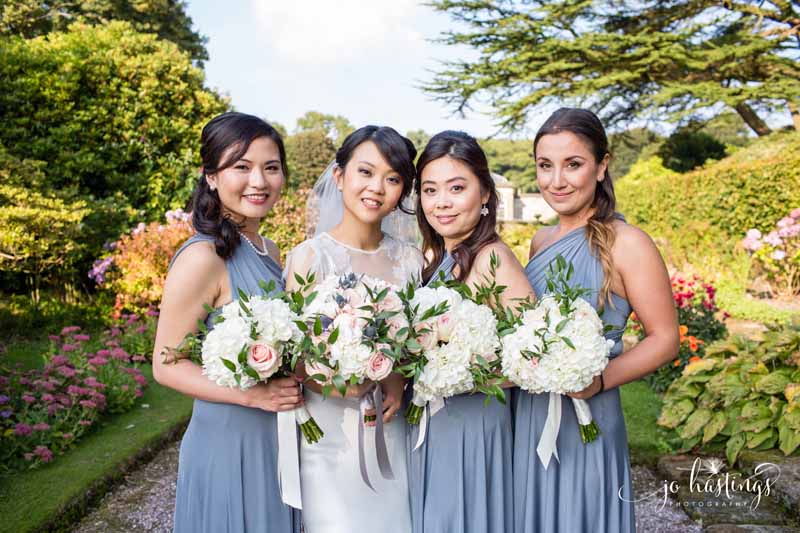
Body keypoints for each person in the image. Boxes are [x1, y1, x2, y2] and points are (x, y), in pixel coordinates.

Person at [513, 108, 679, 533]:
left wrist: (599, 380)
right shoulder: (541, 240)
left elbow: (665, 339)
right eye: (545, 166)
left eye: (573, 164)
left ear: (602, 166)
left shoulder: (629, 243)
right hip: (529, 413)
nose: (557, 180)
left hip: (589, 412)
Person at [152, 112, 302, 533]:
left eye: (271, 168)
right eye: (242, 166)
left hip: (275, 435)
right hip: (229, 438)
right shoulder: (202, 258)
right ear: (212, 176)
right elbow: (166, 365)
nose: (259, 181)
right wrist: (253, 395)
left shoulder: (269, 250)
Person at [283, 125, 421, 533]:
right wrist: (338, 384)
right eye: (365, 172)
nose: (377, 187)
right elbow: (293, 358)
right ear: (340, 177)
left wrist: (396, 378)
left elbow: (417, 344)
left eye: (392, 178)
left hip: (391, 427)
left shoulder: (411, 261)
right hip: (330, 435)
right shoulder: (309, 258)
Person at [408, 130, 533, 533]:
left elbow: (535, 357)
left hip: (473, 425)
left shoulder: (493, 257)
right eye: (430, 190)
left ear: (484, 195)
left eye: (456, 188)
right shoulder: (433, 259)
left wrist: (461, 374)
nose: (441, 202)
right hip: (431, 421)